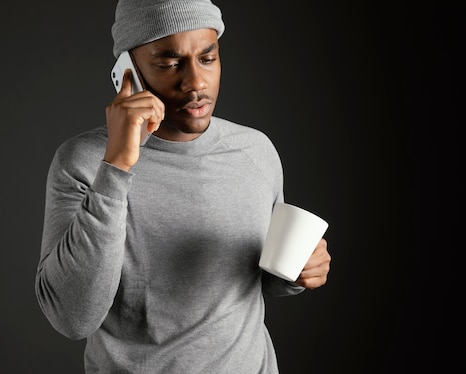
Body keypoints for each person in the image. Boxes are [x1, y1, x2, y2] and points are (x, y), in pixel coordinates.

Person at [34, 0, 331, 372]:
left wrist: (299, 272)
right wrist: (117, 165)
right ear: (128, 71)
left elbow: (256, 279)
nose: (195, 83)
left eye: (208, 58)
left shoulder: (257, 151)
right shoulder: (83, 161)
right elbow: (73, 317)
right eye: (169, 64)